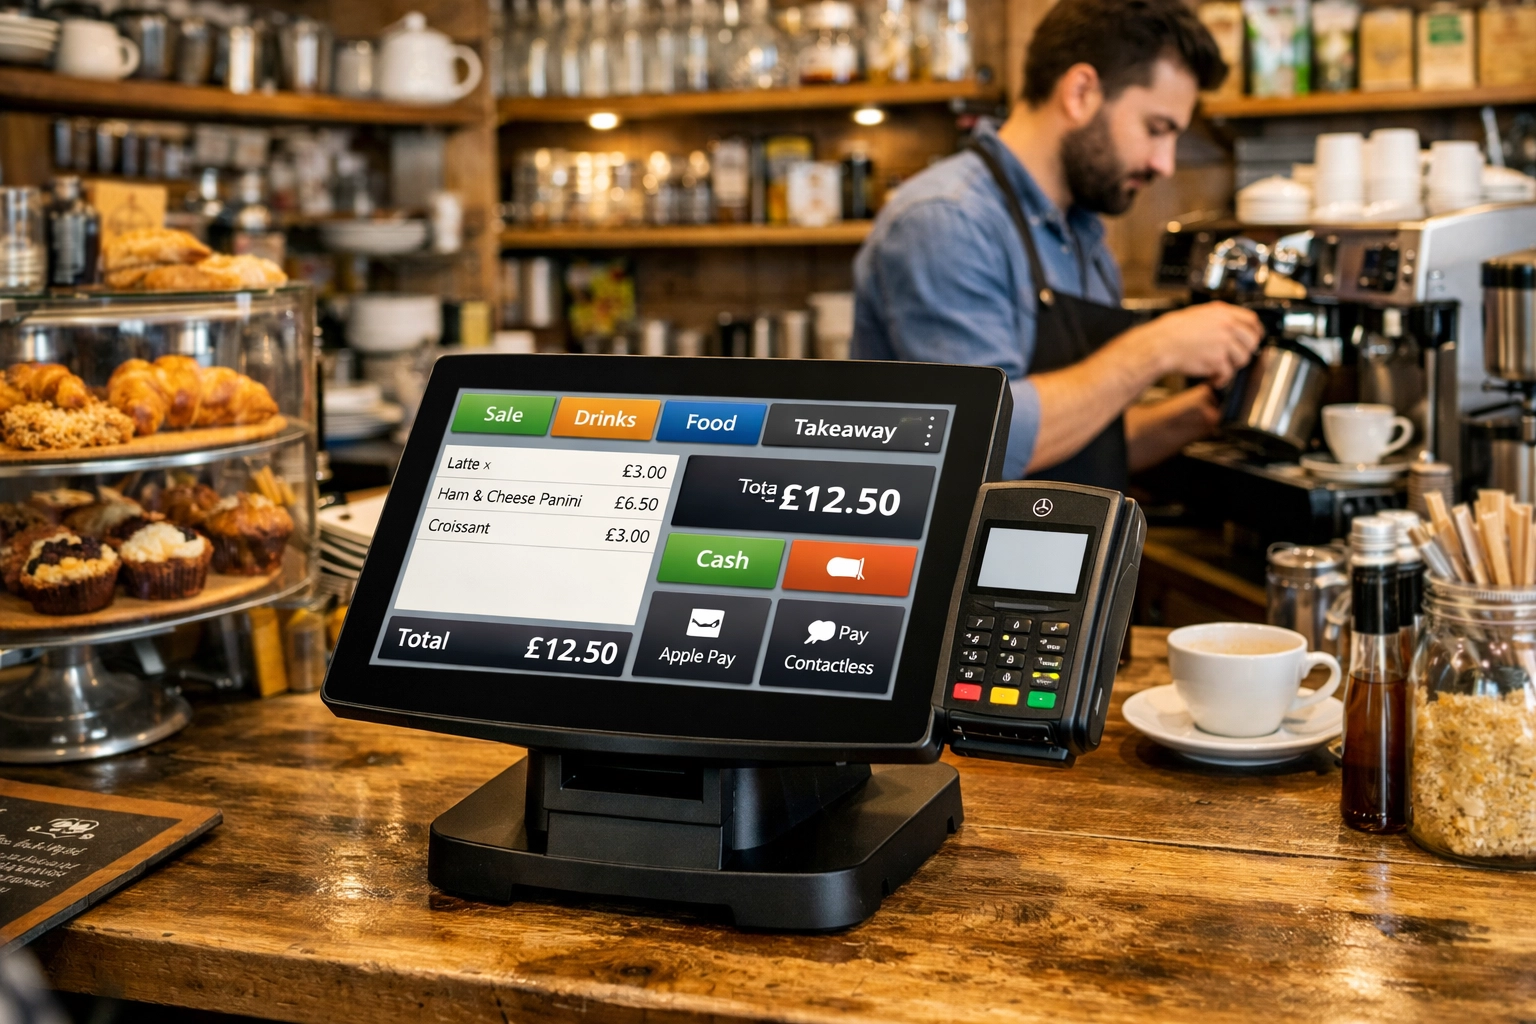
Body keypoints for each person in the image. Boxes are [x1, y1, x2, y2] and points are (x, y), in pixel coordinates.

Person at [851, 0, 1264, 489]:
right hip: (960, 562)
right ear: (1081, 92)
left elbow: (1085, 441)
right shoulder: (946, 220)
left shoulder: (1083, 234)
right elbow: (987, 443)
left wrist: (1203, 414)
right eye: (1156, 129)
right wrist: (1157, 349)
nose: (1165, 163)